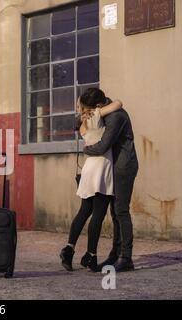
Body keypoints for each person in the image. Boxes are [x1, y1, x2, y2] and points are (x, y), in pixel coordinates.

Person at [60, 89, 123, 272]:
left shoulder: (82, 121)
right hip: (102, 167)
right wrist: (102, 106)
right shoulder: (95, 114)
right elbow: (118, 103)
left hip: (89, 168)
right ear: (96, 105)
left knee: (84, 211)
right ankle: (91, 255)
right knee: (98, 213)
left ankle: (68, 249)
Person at [83, 89, 139, 272]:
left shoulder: (116, 117)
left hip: (123, 167)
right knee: (115, 212)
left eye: (90, 110)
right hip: (112, 166)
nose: (88, 114)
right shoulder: (107, 109)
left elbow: (103, 145)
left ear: (98, 106)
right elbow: (79, 121)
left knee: (121, 211)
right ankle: (115, 255)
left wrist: (86, 149)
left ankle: (126, 257)